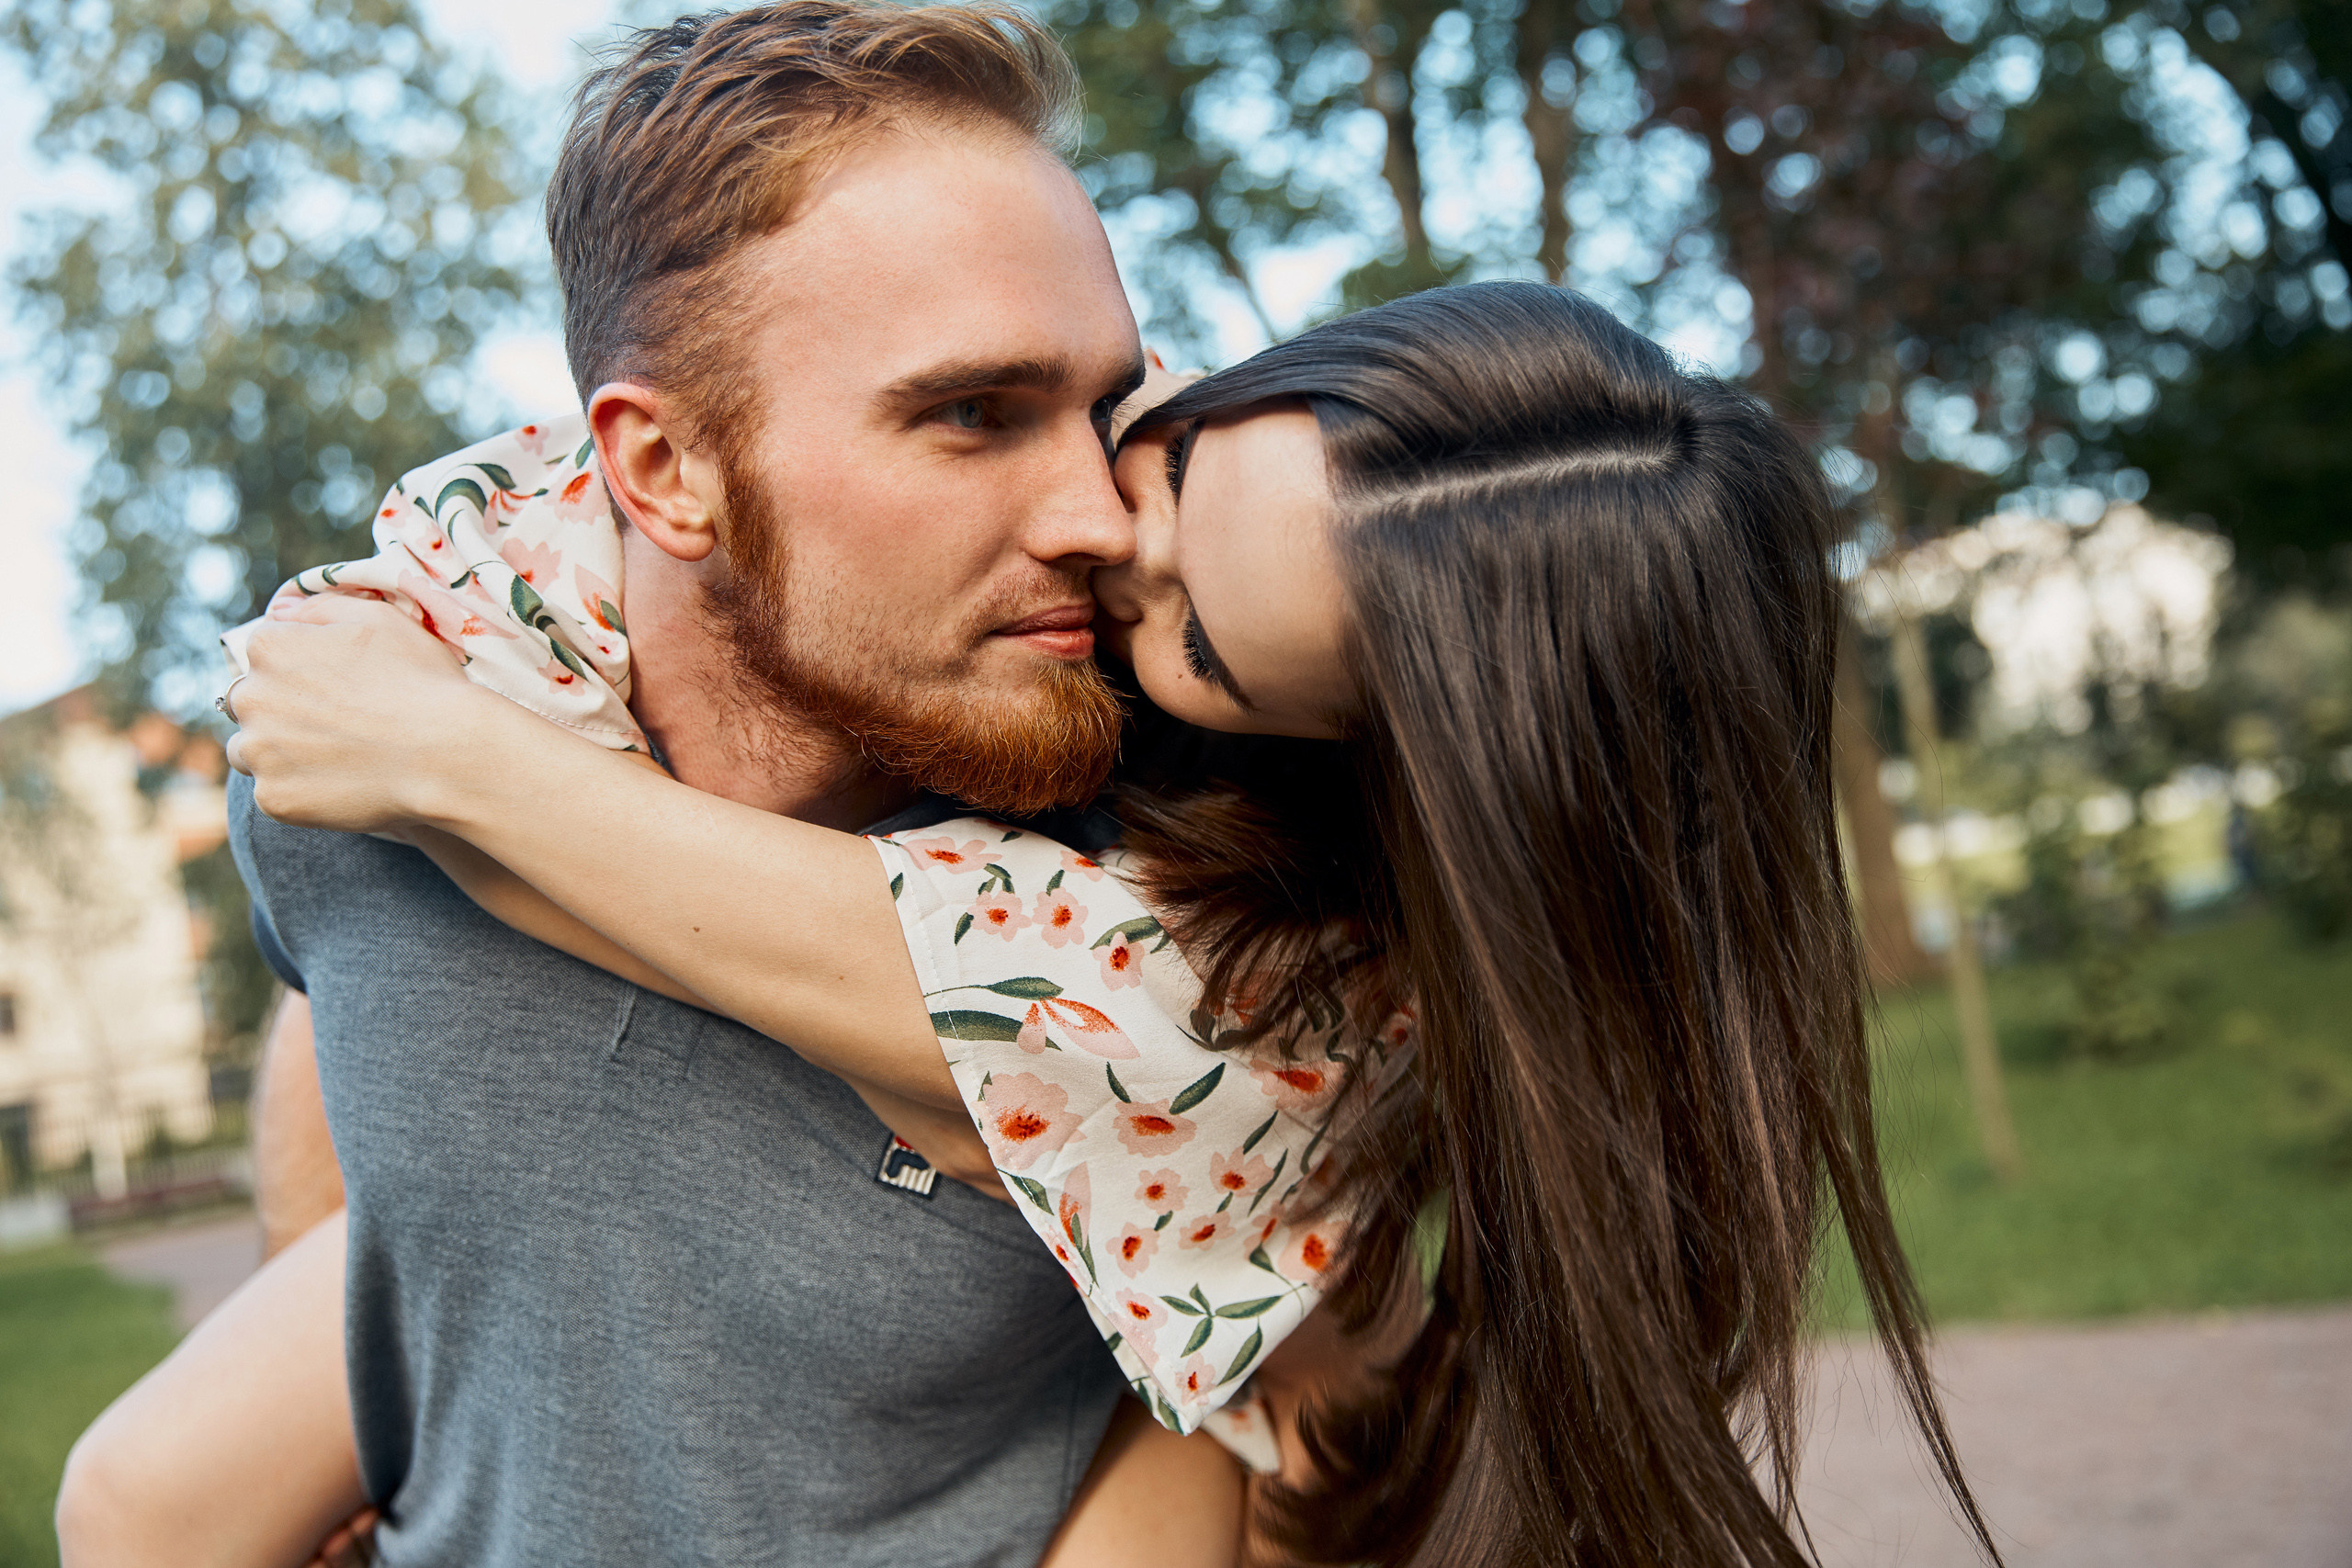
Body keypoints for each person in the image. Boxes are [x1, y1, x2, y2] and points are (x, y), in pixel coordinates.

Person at [180, 281, 2004, 1567]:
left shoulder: (1269, 1003)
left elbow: (830, 942)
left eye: (1198, 642)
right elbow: (370, 928)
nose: (1094, 543)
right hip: (611, 1260)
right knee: (139, 1497)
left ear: (1366, 762)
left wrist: (428, 753)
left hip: (1140, 1373)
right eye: (1175, 465)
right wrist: (339, 1262)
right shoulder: (1099, 455)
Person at [59, 5, 1260, 1565]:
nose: (1100, 517)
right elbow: (325, 973)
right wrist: (359, 1348)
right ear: (664, 470)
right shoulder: (360, 736)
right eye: (975, 413)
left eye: (1104, 410)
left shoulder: (1191, 840)